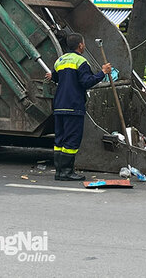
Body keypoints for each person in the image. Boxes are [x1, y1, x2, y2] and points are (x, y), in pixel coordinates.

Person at [45, 33, 112, 181]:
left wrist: (52, 76)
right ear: (80, 45)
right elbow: (86, 82)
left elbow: (56, 77)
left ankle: (59, 172)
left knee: (60, 140)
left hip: (59, 106)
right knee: (72, 140)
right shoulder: (81, 61)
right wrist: (103, 73)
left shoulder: (60, 60)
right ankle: (67, 172)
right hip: (73, 106)